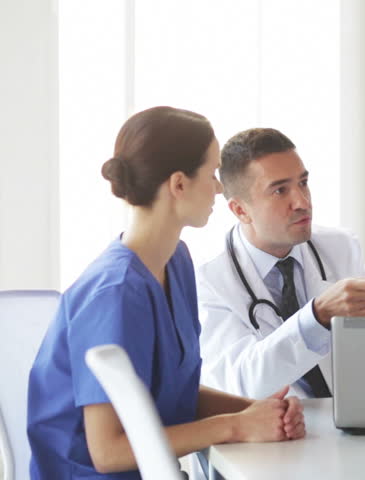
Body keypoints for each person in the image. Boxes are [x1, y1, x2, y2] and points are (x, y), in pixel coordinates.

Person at [27, 107, 305, 480]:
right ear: (178, 184)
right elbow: (107, 452)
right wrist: (236, 426)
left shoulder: (176, 261)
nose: (220, 188)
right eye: (211, 173)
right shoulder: (114, 294)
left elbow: (172, 393)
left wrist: (258, 411)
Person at [197, 128, 365, 400]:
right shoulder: (209, 280)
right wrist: (316, 317)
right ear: (240, 210)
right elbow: (243, 384)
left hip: (345, 420)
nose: (302, 202)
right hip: (273, 434)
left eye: (303, 183)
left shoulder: (339, 246)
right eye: (280, 190)